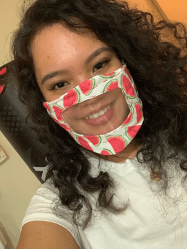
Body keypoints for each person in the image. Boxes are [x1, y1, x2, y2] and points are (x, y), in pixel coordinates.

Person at [13, 0, 187, 248]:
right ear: (45, 105)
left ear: (128, 60)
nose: (90, 95)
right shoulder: (60, 202)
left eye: (100, 64)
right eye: (60, 84)